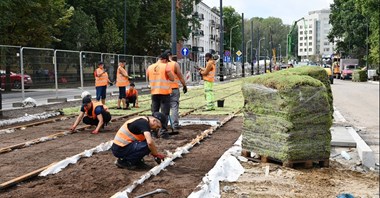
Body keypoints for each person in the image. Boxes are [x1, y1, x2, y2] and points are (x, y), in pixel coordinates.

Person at [146, 51, 175, 139]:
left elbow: (147, 78)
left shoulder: (150, 67)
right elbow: (172, 78)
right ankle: (163, 132)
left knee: (154, 113)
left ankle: (153, 132)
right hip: (164, 92)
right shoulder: (166, 66)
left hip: (154, 92)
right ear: (165, 60)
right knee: (164, 113)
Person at [165, 50, 187, 131]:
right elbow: (180, 76)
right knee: (174, 106)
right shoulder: (174, 64)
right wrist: (184, 85)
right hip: (174, 88)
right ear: (171, 56)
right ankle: (174, 125)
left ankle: (164, 125)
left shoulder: (160, 65)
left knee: (164, 107)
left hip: (163, 89)